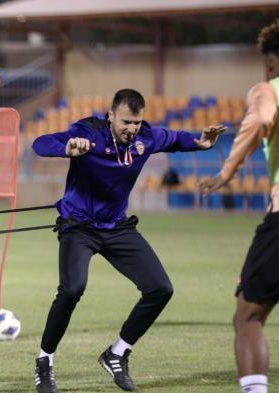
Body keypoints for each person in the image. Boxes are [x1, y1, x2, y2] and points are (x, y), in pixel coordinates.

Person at [31, 88, 226, 393]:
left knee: (160, 289)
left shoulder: (145, 137)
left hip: (117, 228)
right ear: (110, 116)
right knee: (72, 289)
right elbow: (40, 143)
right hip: (79, 226)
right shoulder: (88, 132)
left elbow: (174, 139)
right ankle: (45, 361)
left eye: (136, 123)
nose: (131, 129)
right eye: (125, 122)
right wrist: (67, 147)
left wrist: (200, 143)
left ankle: (117, 352)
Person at [199, 20, 279, 393]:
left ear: (270, 63)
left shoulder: (268, 88)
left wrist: (227, 171)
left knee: (248, 314)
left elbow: (262, 117)